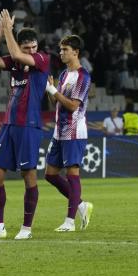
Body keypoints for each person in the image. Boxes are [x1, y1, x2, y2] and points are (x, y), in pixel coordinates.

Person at [0, 11, 49, 240]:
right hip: (9, 125)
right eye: (28, 49)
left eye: (34, 47)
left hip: (30, 125)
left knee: (29, 175)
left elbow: (15, 51)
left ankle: (26, 228)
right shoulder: (14, 62)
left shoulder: (42, 60)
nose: (32, 51)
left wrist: (8, 30)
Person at [43, 35, 94, 233]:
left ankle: (69, 222)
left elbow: (73, 106)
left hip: (74, 131)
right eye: (60, 49)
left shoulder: (83, 76)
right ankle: (81, 205)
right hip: (59, 132)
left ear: (76, 52)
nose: (61, 53)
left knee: (72, 174)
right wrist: (51, 91)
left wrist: (53, 90)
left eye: (65, 50)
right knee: (50, 174)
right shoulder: (64, 74)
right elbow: (56, 103)